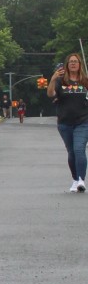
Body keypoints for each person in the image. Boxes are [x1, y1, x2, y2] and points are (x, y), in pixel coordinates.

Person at [48, 53, 88, 192]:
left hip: (83, 122)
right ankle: (75, 179)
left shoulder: (85, 81)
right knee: (71, 152)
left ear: (79, 64)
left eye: (75, 61)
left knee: (79, 149)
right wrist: (53, 79)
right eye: (71, 61)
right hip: (65, 123)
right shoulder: (61, 81)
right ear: (67, 64)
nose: (73, 63)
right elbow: (51, 94)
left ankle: (81, 180)